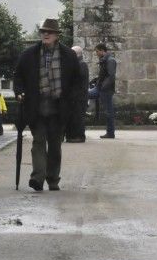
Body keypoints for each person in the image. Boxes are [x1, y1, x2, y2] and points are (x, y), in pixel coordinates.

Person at [13, 18, 83, 192]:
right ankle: (37, 178)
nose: (45, 34)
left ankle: (52, 179)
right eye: (43, 31)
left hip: (59, 108)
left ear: (57, 36)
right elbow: (18, 76)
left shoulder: (69, 55)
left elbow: (77, 81)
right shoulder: (29, 54)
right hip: (36, 106)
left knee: (54, 145)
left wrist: (72, 100)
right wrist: (19, 92)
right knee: (38, 142)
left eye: (49, 32)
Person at [89, 42, 117, 139]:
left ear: (102, 51)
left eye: (97, 51)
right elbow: (104, 75)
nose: (96, 53)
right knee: (83, 94)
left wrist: (103, 87)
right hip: (99, 88)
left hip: (105, 90)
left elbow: (111, 76)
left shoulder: (110, 60)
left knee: (109, 112)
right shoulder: (104, 60)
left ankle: (110, 133)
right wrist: (97, 81)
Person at [64, 45, 90, 143]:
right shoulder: (77, 63)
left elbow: (77, 80)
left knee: (78, 117)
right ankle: (72, 136)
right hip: (75, 96)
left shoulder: (82, 64)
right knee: (74, 116)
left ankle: (79, 136)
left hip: (80, 96)